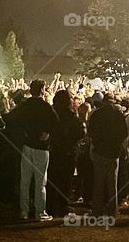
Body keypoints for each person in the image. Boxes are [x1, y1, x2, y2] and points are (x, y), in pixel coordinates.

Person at [6, 79, 58, 221]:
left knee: (25, 180)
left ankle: (24, 211)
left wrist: (23, 130)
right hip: (41, 147)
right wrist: (47, 131)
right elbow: (55, 123)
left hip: (27, 145)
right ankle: (40, 212)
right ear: (42, 90)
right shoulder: (46, 106)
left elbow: (9, 118)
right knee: (40, 182)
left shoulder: (25, 105)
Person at [88, 92, 128, 218]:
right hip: (113, 152)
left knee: (98, 183)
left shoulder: (97, 114)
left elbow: (91, 132)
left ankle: (97, 211)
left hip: (99, 151)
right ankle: (112, 211)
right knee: (112, 184)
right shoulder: (118, 115)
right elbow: (124, 133)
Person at [47, 89, 83, 217]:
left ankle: (50, 205)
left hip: (53, 151)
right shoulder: (72, 117)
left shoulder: (51, 114)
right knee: (65, 181)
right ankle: (62, 206)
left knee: (52, 179)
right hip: (68, 152)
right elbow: (80, 133)